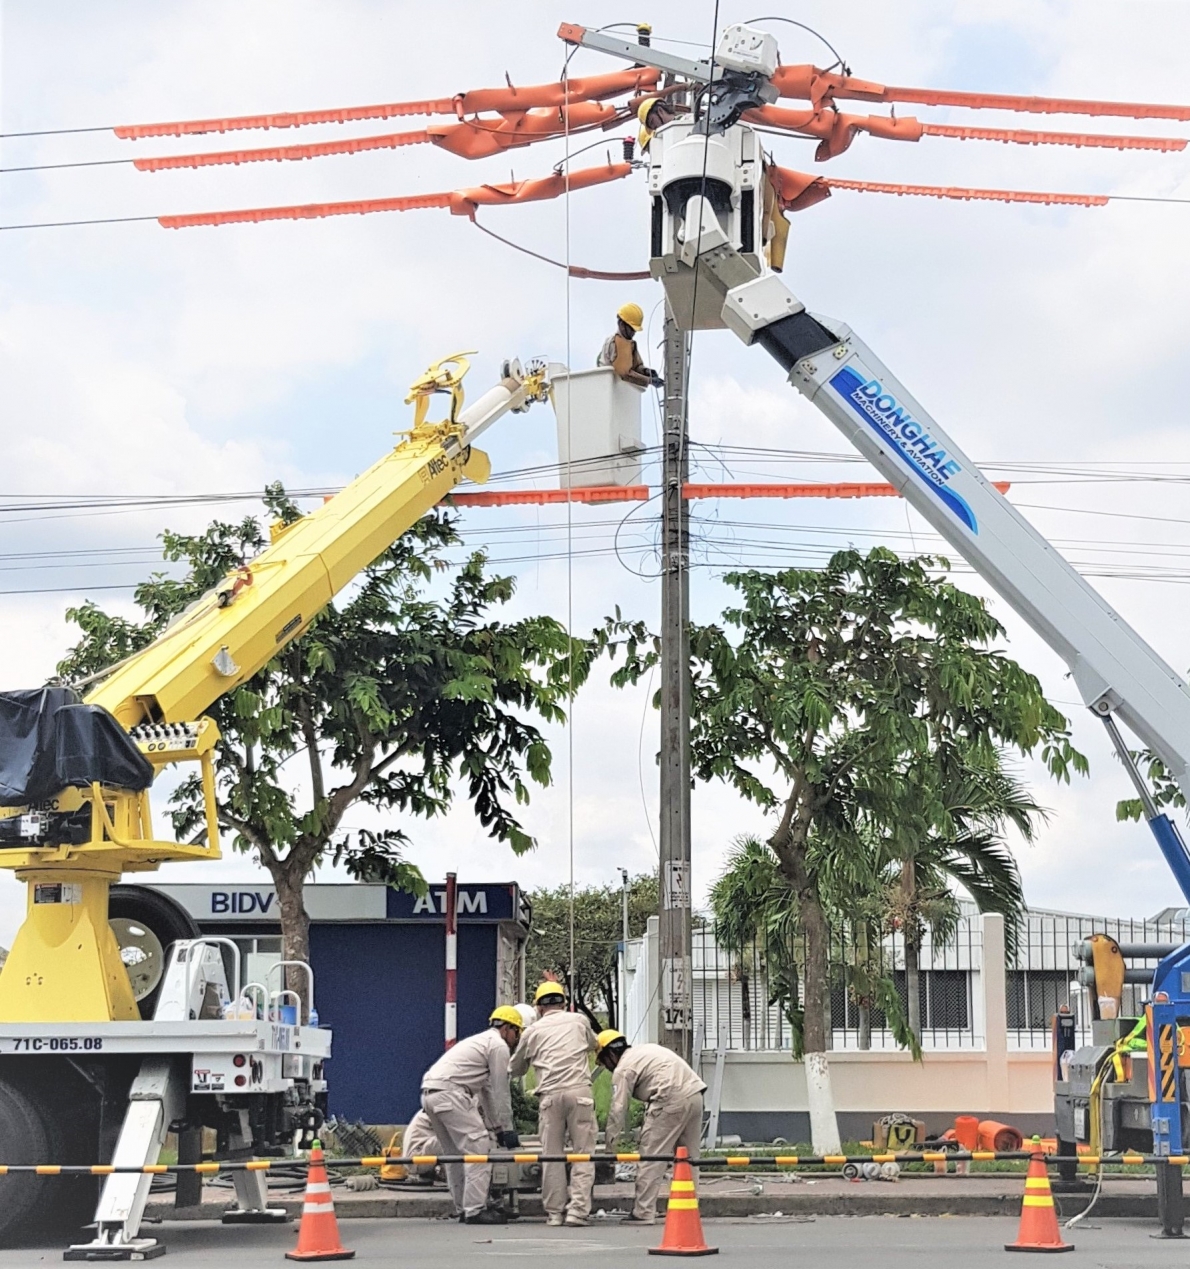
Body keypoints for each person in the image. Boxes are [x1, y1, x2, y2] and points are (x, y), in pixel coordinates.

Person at [420, 1005, 524, 1224]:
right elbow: (500, 1090)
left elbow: (486, 1092)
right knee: (479, 1149)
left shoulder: (480, 1043)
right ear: (506, 1028)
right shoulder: (498, 1046)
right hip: (452, 1094)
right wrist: (508, 1128)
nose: (517, 1039)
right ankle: (475, 1210)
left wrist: (497, 1127)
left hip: (430, 1094)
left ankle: (463, 1207)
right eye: (517, 1032)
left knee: (454, 1154)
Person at [509, 981, 600, 1227]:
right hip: (579, 1093)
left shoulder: (532, 1031)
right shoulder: (579, 1021)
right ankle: (577, 1212)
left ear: (538, 1007)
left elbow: (515, 1068)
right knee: (583, 1154)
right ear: (563, 1002)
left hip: (549, 1096)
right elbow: (594, 1044)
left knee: (552, 1156)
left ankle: (555, 1213)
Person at [597, 1030, 707, 1225]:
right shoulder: (645, 1050)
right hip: (695, 1094)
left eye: (604, 1063)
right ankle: (688, 1208)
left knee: (651, 1156)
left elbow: (618, 1109)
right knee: (688, 1158)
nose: (607, 1068)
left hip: (669, 1099)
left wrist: (609, 1148)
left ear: (610, 1055)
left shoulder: (623, 1068)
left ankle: (644, 1212)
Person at [597, 303, 663, 389]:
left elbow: (636, 366)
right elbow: (625, 374)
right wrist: (649, 380)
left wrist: (646, 371)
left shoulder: (630, 344)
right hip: (610, 387)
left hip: (622, 390)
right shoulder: (615, 342)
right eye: (631, 329)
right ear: (621, 324)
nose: (633, 333)